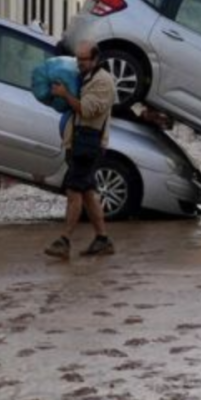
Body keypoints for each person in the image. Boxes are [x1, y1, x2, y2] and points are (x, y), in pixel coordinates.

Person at [45, 42, 118, 259]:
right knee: (87, 194)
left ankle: (64, 241)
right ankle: (102, 239)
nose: (79, 64)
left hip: (89, 146)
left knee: (73, 191)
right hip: (79, 142)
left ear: (95, 59)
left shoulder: (103, 82)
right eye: (78, 59)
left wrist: (64, 94)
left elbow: (86, 110)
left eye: (83, 60)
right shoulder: (87, 77)